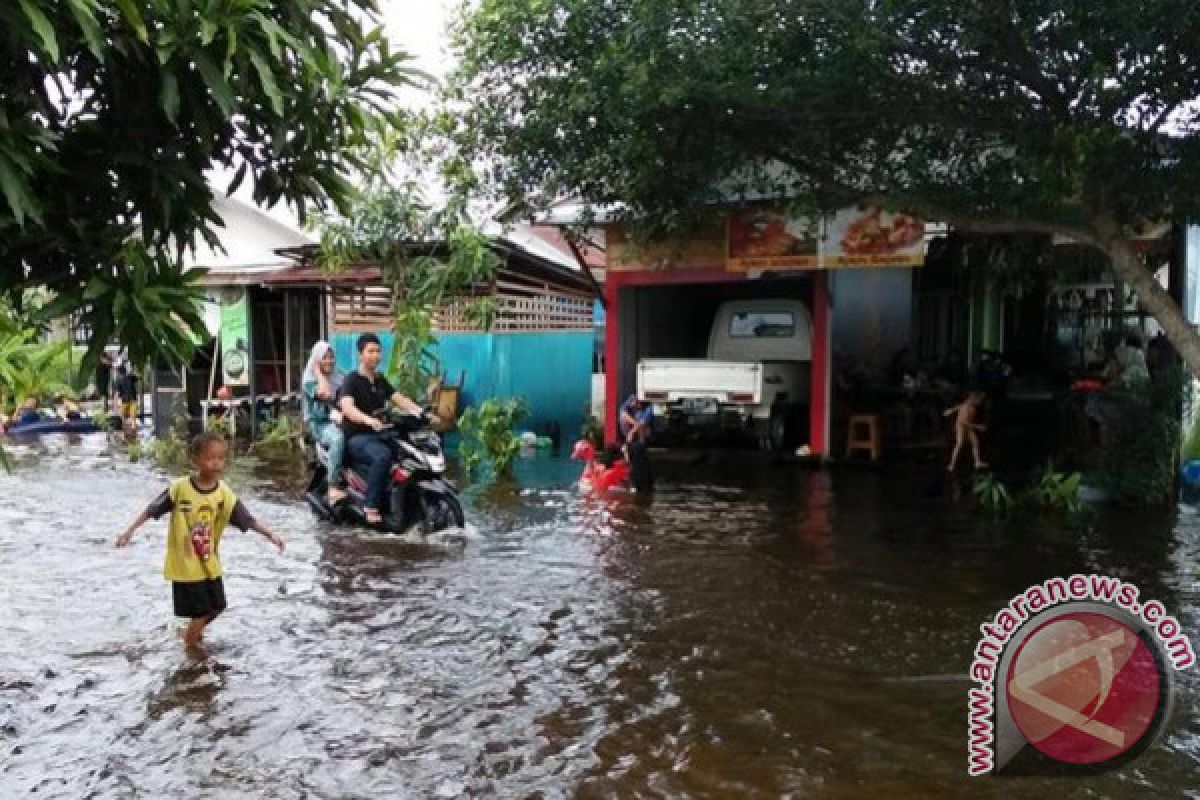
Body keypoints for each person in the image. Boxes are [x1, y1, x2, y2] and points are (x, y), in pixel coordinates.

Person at [115, 432, 284, 648]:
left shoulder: (223, 494)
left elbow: (246, 518)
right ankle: (191, 647)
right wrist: (129, 531)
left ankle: (190, 637)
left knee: (218, 606)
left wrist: (270, 534)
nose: (216, 463)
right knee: (202, 611)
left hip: (208, 563)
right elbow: (152, 510)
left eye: (220, 458)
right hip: (186, 564)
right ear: (195, 460)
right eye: (210, 458)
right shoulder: (180, 489)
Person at [338, 333, 426, 525]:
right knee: (383, 455)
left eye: (378, 351)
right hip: (356, 437)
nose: (376, 355)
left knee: (408, 454)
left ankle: (401, 500)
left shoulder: (379, 380)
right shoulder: (352, 380)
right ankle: (371, 505)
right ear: (361, 354)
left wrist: (420, 412)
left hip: (378, 433)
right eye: (371, 351)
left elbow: (399, 399)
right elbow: (347, 407)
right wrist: (367, 420)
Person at [302, 341, 347, 505]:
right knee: (338, 438)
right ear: (315, 359)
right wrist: (318, 372)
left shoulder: (338, 375)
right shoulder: (309, 379)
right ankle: (332, 487)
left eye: (331, 357)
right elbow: (325, 393)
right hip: (320, 424)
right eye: (324, 357)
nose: (329, 361)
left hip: (339, 418)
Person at [945, 390, 988, 472]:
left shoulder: (970, 406)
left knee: (975, 442)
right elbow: (964, 422)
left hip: (968, 426)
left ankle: (977, 462)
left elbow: (959, 406)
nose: (980, 402)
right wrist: (978, 427)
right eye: (980, 400)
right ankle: (951, 465)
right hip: (961, 426)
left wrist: (951, 410)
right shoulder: (967, 407)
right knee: (959, 444)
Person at [619, 394, 654, 492]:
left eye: (636, 405)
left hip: (641, 434)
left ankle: (640, 442)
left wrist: (633, 431)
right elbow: (623, 414)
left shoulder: (647, 409)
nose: (634, 407)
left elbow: (643, 423)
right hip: (632, 438)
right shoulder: (627, 406)